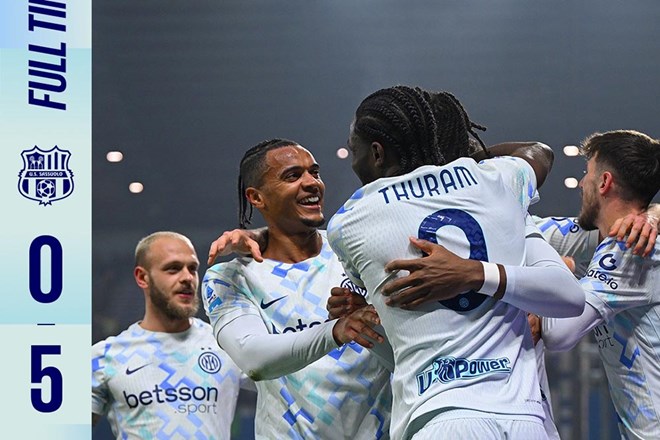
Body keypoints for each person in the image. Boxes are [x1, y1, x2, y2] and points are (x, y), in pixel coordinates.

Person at [325, 85, 586, 440]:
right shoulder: (499, 183)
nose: (353, 163)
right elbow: (538, 153)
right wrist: (463, 159)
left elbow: (400, 347)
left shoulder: (350, 221)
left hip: (439, 416)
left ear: (376, 152)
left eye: (354, 151)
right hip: (524, 419)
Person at [202, 139, 392, 439]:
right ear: (256, 197)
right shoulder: (229, 278)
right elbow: (254, 360)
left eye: (314, 172)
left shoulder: (357, 249)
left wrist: (368, 324)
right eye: (292, 176)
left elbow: (404, 354)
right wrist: (336, 330)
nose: (312, 183)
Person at [536, 130, 660, 439]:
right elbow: (522, 230)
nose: (581, 184)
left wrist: (560, 270)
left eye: (587, 173)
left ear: (604, 182)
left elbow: (558, 333)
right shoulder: (600, 238)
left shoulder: (634, 248)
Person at [92, 231, 250, 439]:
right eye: (173, 269)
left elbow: (285, 385)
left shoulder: (227, 343)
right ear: (142, 277)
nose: (187, 278)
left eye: (192, 269)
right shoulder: (104, 357)